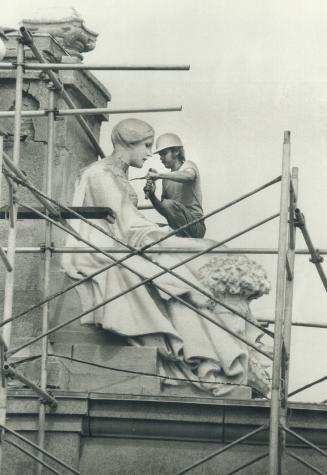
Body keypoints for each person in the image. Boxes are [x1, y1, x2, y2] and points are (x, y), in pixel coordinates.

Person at [62, 118, 270, 397]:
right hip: (106, 250)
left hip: (127, 241)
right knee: (179, 274)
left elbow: (131, 223)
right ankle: (212, 361)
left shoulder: (122, 174)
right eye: (147, 146)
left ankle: (231, 355)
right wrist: (164, 239)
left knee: (190, 265)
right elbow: (126, 226)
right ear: (127, 144)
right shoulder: (102, 174)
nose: (150, 154)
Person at [144, 133, 206, 238]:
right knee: (148, 229)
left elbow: (189, 176)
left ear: (176, 151)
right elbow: (165, 210)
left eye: (164, 153)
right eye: (160, 155)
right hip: (177, 226)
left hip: (195, 226)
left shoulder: (188, 165)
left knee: (168, 203)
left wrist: (159, 175)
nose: (161, 158)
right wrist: (152, 195)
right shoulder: (166, 180)